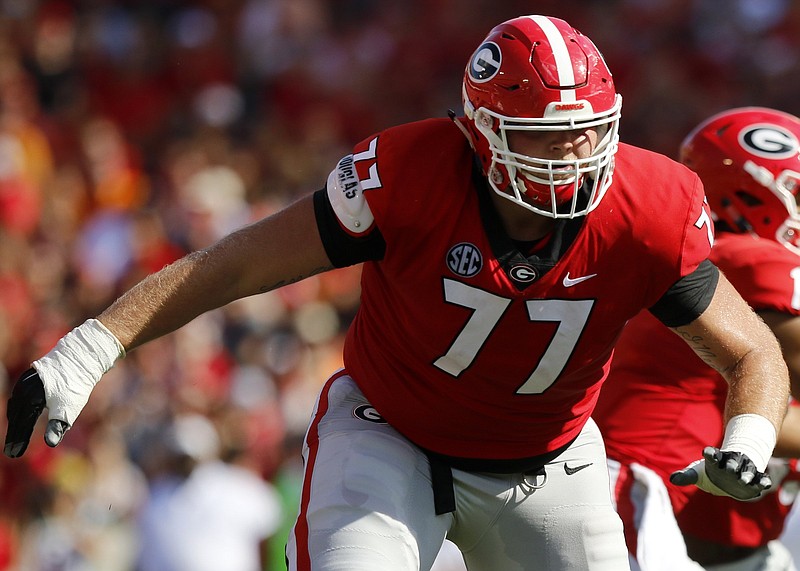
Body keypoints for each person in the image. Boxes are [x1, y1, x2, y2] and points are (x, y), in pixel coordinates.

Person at [3, 15, 791, 571]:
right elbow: (238, 263)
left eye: (590, 130)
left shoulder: (648, 206)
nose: (578, 153)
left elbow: (750, 348)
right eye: (550, 135)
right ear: (484, 134)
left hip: (550, 461)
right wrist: (92, 343)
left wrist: (751, 439)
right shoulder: (406, 175)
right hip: (390, 434)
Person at [593, 107, 800, 570]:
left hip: (705, 524)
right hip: (645, 496)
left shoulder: (704, 257)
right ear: (748, 195)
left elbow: (767, 411)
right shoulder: (751, 260)